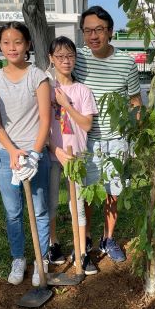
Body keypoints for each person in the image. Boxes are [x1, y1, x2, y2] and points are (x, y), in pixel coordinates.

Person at [74, 6, 142, 262]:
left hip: (117, 140)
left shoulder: (126, 62)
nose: (93, 36)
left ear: (110, 32)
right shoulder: (77, 58)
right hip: (86, 140)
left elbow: (135, 101)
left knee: (113, 192)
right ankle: (87, 236)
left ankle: (108, 238)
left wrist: (133, 136)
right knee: (88, 193)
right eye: (88, 30)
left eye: (99, 30)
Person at [0, 22, 51, 286]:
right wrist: (12, 152)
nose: (12, 47)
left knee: (40, 210)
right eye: (6, 42)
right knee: (13, 211)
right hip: (7, 156)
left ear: (28, 45)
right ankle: (18, 258)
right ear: (0, 45)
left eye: (18, 42)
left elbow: (45, 120)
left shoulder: (38, 76)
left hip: (36, 154)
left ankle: (41, 257)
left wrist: (34, 154)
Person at [48, 36, 98, 274]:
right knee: (50, 203)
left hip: (76, 156)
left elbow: (86, 125)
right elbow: (40, 126)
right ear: (51, 59)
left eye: (70, 56)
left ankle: (81, 253)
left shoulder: (82, 91)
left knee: (76, 205)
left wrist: (66, 104)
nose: (65, 61)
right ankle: (53, 244)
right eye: (60, 56)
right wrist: (54, 149)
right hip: (52, 155)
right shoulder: (45, 89)